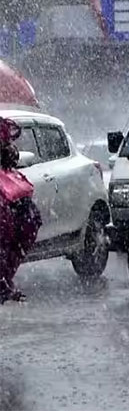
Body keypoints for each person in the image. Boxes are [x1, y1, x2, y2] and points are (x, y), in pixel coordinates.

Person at [0, 117, 41, 304]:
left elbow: (12, 155)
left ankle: (4, 281)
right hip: (9, 203)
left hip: (9, 199)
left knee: (19, 229)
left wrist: (6, 150)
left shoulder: (4, 128)